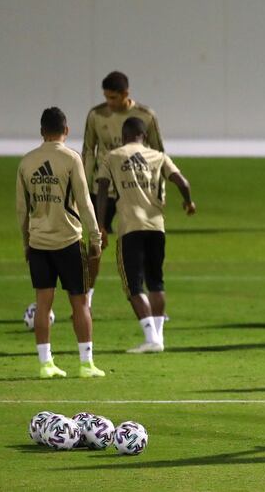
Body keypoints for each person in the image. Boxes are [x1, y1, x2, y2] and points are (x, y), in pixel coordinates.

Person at [16, 107, 105, 379]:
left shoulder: (26, 162)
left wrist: (26, 242)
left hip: (39, 243)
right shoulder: (71, 159)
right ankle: (86, 363)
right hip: (68, 241)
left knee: (43, 304)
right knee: (79, 303)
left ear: (42, 131)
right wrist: (95, 237)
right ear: (66, 130)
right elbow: (85, 200)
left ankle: (45, 364)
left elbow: (22, 209)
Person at [95, 118, 195, 353]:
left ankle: (152, 338)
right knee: (156, 282)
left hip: (130, 227)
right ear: (143, 135)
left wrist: (101, 225)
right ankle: (158, 337)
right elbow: (182, 181)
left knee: (133, 285)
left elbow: (102, 189)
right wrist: (188, 202)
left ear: (124, 134)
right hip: (156, 227)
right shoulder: (158, 156)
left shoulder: (112, 156)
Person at [82, 71, 165, 308]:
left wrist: (160, 194)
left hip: (136, 191)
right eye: (106, 97)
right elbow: (89, 152)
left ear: (126, 94)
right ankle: (86, 297)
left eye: (113, 98)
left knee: (146, 244)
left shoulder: (145, 116)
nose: (109, 103)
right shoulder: (96, 116)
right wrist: (84, 188)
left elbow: (159, 155)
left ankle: (155, 304)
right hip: (104, 191)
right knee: (95, 243)